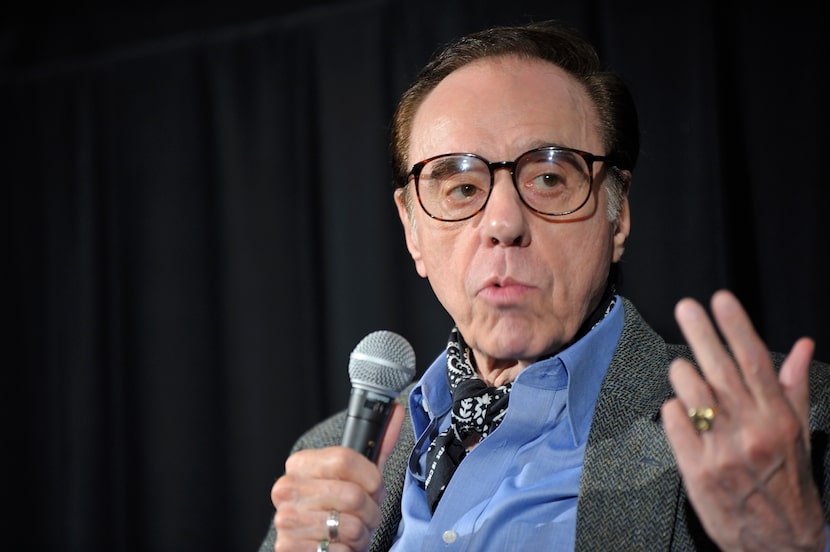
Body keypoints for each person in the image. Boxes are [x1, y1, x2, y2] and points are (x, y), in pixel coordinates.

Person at [259, 19, 830, 551]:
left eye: (550, 177)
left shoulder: (788, 431)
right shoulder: (328, 460)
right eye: (460, 188)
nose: (504, 224)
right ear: (412, 229)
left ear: (618, 215)